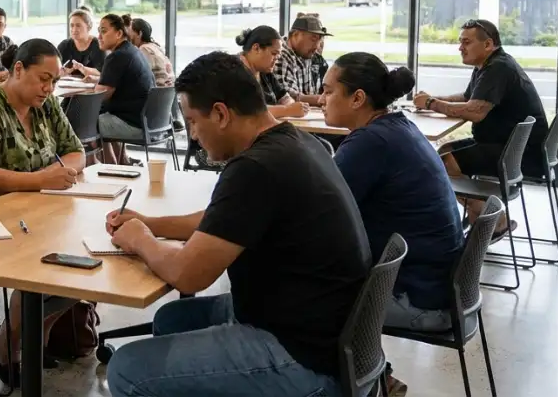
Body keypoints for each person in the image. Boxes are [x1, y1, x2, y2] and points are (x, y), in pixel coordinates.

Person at [105, 51, 370, 396]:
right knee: (173, 320)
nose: (194, 136)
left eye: (193, 122)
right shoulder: (298, 142)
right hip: (325, 331)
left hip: (303, 357)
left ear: (220, 113)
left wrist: (140, 239)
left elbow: (190, 274)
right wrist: (151, 223)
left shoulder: (254, 168)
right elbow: (224, 221)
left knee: (127, 369)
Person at [322, 53, 464, 396]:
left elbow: (318, 214)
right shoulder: (397, 127)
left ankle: (365, 380)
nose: (319, 99)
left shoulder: (370, 143)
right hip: (438, 289)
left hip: (419, 300)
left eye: (327, 91)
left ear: (357, 98)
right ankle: (375, 376)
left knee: (304, 297)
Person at [0, 39, 86, 385]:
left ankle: (34, 330)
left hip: (41, 211)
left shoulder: (46, 105)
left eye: (55, 81)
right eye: (43, 78)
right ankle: (11, 339)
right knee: (52, 266)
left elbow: (75, 152)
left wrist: (64, 173)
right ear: (17, 69)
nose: (49, 87)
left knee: (84, 266)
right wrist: (40, 179)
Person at [413, 19, 551, 234]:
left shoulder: (498, 68)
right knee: (445, 152)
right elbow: (468, 98)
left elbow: (475, 112)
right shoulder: (488, 65)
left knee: (443, 164)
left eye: (466, 42)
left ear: (487, 44)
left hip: (518, 155)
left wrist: (432, 104)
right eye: (460, 42)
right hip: (510, 147)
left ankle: (493, 219)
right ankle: (480, 218)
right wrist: (433, 99)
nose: (460, 48)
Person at [70, 14, 154, 165]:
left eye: (103, 31)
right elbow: (119, 84)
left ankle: (94, 165)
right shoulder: (132, 51)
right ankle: (119, 162)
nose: (99, 36)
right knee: (101, 115)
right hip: (146, 120)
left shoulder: (117, 56)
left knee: (82, 120)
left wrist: (81, 93)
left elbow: (100, 96)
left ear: (119, 33)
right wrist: (97, 81)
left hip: (133, 124)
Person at [235, 26, 307, 120]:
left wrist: (292, 106)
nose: (276, 59)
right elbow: (250, 111)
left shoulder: (264, 71)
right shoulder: (234, 71)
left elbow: (284, 97)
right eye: (274, 54)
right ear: (256, 48)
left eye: (278, 55)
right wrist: (287, 110)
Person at [273, 13, 330, 106]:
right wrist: (328, 99)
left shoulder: (306, 53)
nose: (317, 46)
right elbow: (287, 96)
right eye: (313, 39)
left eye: (319, 40)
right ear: (296, 35)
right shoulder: (281, 56)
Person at [57, 7, 105, 76]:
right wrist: (62, 72)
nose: (74, 29)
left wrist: (82, 68)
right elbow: (55, 70)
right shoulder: (64, 45)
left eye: (78, 26)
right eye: (72, 25)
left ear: (89, 27)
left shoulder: (98, 45)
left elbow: (101, 73)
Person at [128, 17, 174, 88]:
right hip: (165, 94)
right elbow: (169, 68)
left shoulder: (144, 49)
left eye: (130, 31)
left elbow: (141, 75)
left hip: (154, 94)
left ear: (139, 33)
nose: (128, 34)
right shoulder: (155, 46)